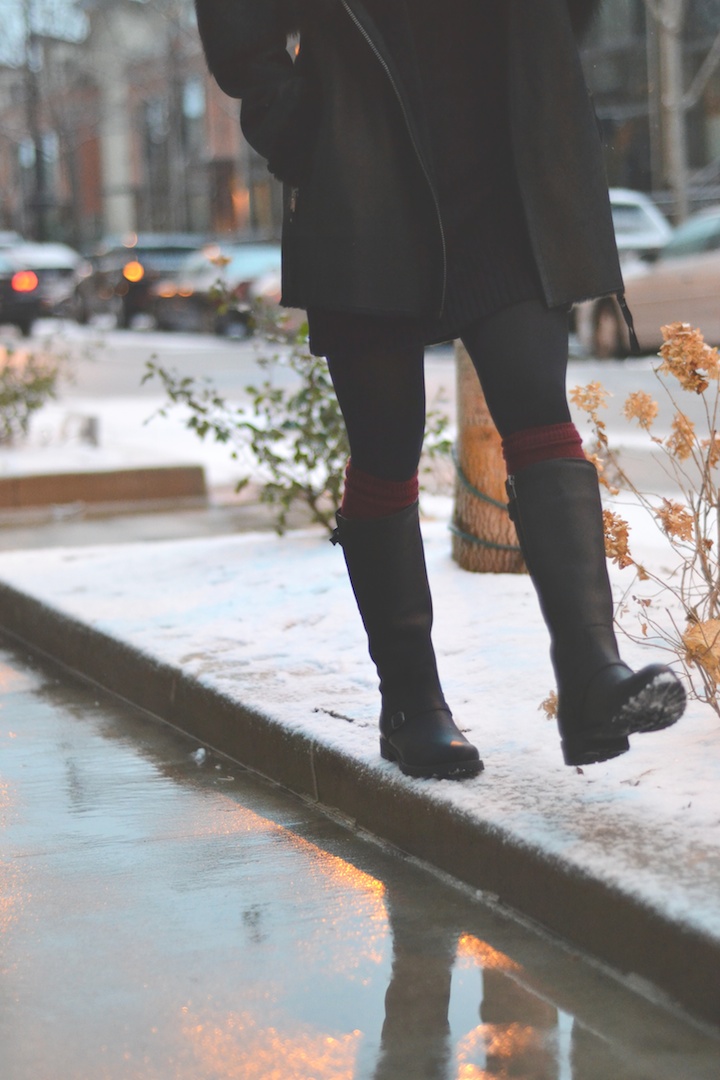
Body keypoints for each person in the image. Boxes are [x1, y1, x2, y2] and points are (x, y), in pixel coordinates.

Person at [194, 0, 686, 780]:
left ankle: (594, 680)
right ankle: (412, 706)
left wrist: (544, 55)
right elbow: (240, 24)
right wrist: (300, 129)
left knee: (540, 415)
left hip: (506, 168)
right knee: (386, 448)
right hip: (361, 174)